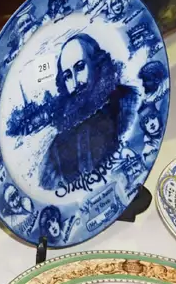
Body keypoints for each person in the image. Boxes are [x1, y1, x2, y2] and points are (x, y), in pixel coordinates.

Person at [39, 34, 138, 191]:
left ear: (96, 64)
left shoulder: (128, 102)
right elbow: (47, 187)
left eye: (79, 68)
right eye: (67, 76)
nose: (76, 82)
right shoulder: (57, 146)